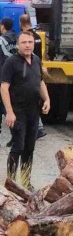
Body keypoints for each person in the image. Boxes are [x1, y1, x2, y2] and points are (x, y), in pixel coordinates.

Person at [0, 31, 50, 188]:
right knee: (18, 147)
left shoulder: (36, 60)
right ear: (18, 45)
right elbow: (4, 87)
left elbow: (40, 81)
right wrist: (9, 111)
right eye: (24, 43)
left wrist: (47, 99)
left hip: (33, 111)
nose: (27, 45)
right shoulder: (11, 62)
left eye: (30, 42)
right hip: (17, 111)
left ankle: (26, 183)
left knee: (30, 147)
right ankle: (11, 183)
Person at [18, 15, 46, 140]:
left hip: (27, 70)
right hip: (37, 68)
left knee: (27, 100)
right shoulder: (38, 37)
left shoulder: (24, 38)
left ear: (21, 23)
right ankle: (37, 127)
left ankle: (36, 128)